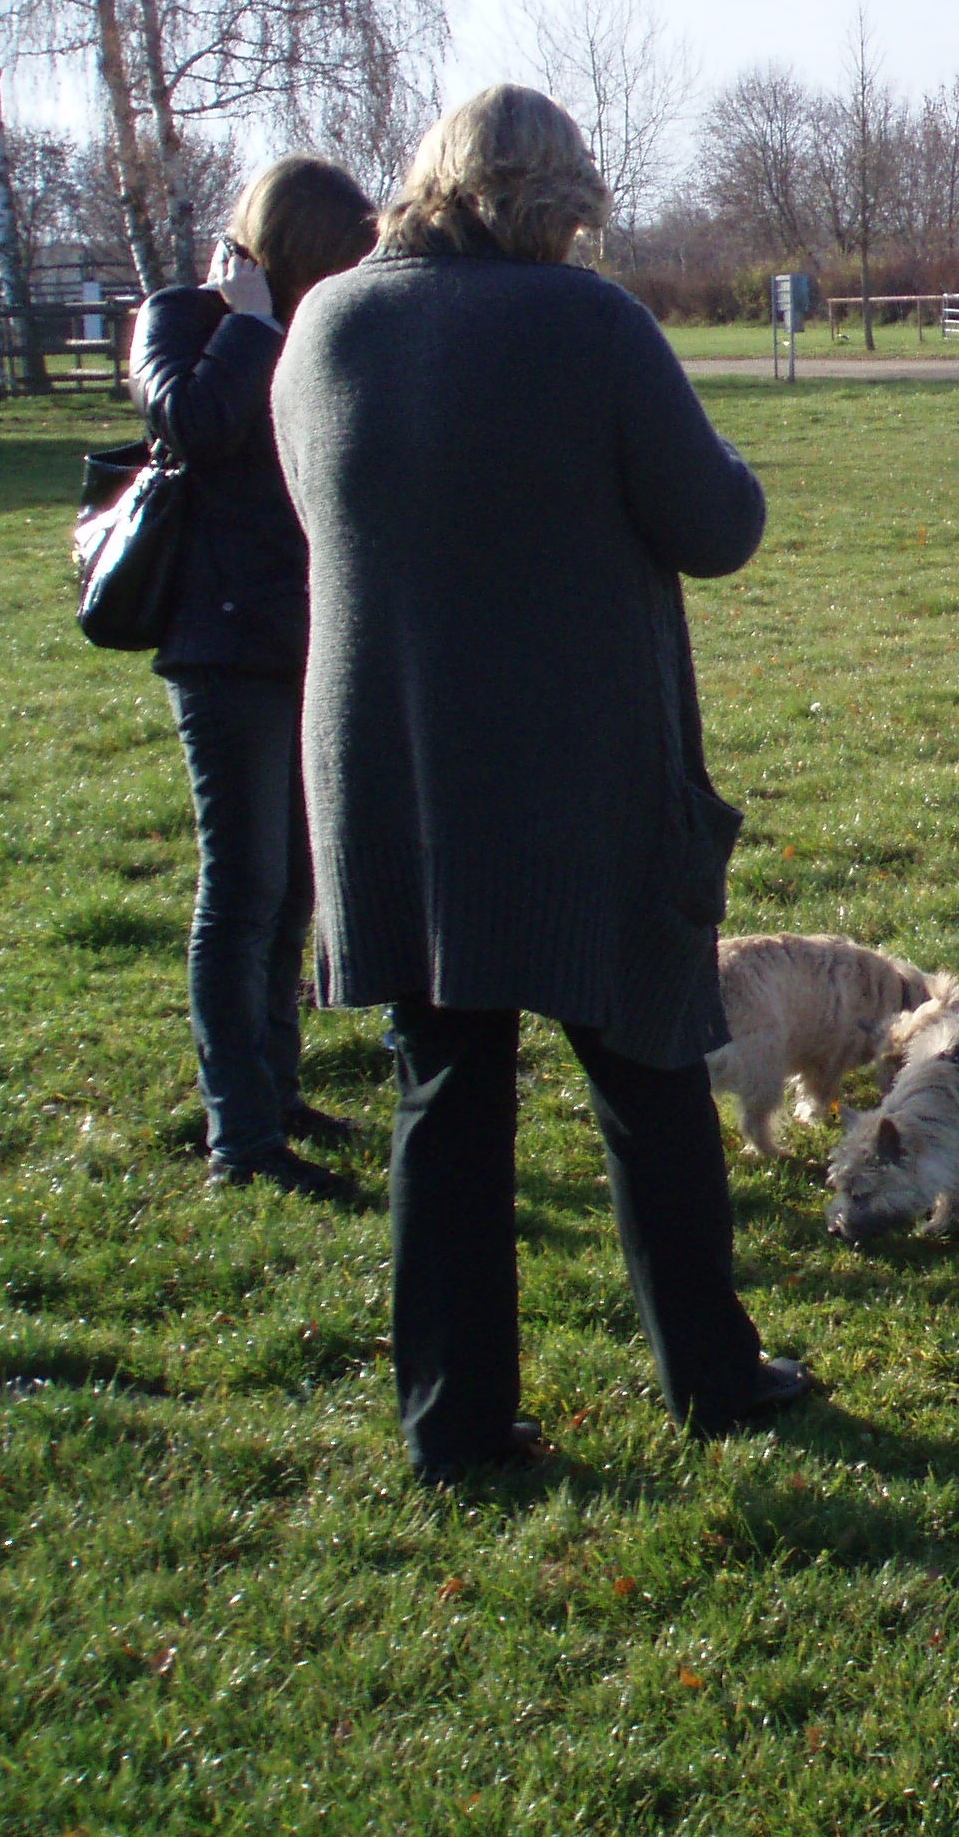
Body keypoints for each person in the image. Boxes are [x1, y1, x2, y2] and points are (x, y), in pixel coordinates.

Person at [272, 84, 808, 1477]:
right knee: (646, 1060)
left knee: (445, 1092)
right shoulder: (590, 324)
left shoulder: (327, 321)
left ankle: (453, 1424)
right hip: (576, 769)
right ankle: (712, 1372)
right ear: (561, 199)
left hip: (391, 769)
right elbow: (717, 523)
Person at [132, 156, 382, 1199]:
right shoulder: (184, 319)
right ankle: (240, 1137)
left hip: (307, 639)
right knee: (239, 890)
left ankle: (274, 1091)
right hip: (222, 644)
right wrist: (244, 323)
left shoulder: (314, 327)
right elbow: (192, 424)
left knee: (292, 887)